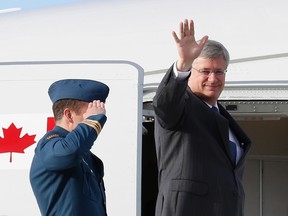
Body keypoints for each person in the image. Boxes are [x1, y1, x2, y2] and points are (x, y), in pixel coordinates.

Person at [153, 19, 251, 216]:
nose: (213, 79)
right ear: (191, 73)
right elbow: (164, 104)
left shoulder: (222, 117)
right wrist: (183, 65)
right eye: (205, 71)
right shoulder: (182, 107)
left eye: (218, 72)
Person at [29, 79, 109, 216]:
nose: (97, 118)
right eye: (90, 114)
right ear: (69, 115)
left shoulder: (87, 157)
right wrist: (94, 121)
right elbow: (68, 153)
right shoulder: (49, 146)